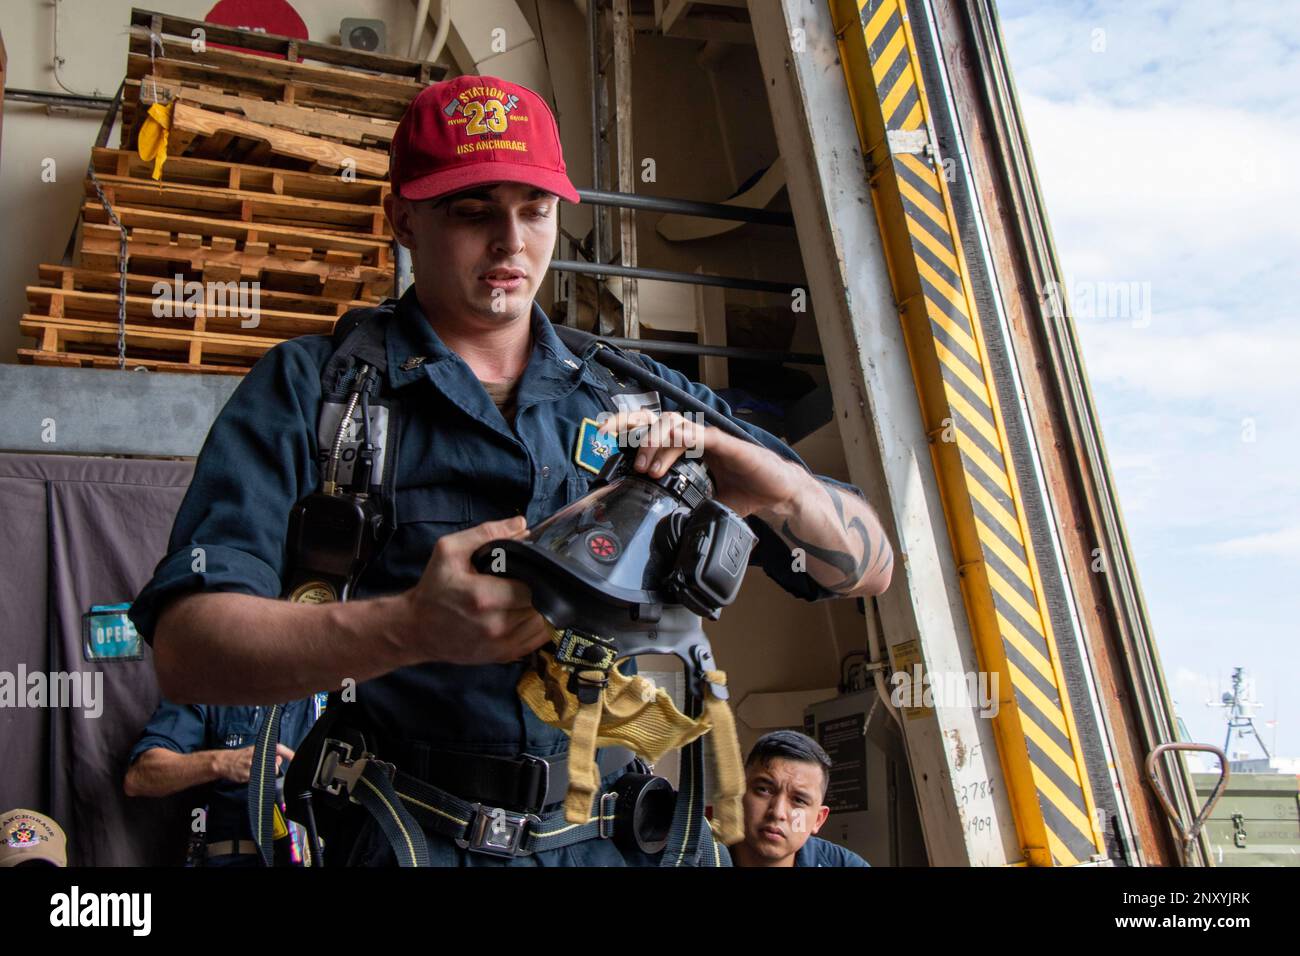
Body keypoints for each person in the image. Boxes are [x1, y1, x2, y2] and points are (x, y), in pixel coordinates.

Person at [128, 73, 893, 867]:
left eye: (535, 210)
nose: (511, 242)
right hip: (406, 834)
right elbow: (187, 649)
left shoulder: (644, 397)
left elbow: (869, 566)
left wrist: (777, 485)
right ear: (403, 219)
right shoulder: (313, 391)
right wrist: (404, 628)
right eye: (472, 210)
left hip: (617, 841)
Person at [124, 698, 318, 866]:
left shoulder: (334, 688)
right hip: (236, 855)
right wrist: (222, 762)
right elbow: (140, 776)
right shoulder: (211, 684)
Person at [732, 730, 870, 867]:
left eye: (799, 800)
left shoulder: (847, 864)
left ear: (818, 820)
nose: (778, 813)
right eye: (764, 790)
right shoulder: (711, 854)